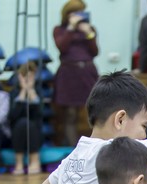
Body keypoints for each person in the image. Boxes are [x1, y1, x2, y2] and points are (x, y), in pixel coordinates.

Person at [53, 0, 99, 145]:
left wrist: (89, 34)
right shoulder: (60, 30)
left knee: (94, 110)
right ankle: (74, 148)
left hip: (87, 72)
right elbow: (62, 47)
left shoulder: (89, 29)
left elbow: (94, 51)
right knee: (70, 113)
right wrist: (71, 28)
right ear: (67, 15)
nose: (79, 16)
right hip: (68, 74)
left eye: (81, 12)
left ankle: (95, 146)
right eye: (75, 13)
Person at [9, 61, 43, 175]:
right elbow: (13, 116)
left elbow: (39, 114)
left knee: (29, 123)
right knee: (22, 122)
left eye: (31, 76)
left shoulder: (39, 92)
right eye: (25, 76)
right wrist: (23, 92)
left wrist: (31, 92)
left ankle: (35, 160)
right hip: (16, 131)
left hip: (35, 130)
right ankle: (18, 162)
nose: (28, 79)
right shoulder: (14, 93)